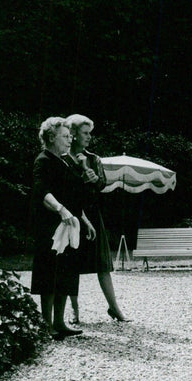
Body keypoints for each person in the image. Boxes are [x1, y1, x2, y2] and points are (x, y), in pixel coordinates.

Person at [30, 117, 96, 339]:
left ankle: (59, 322)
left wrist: (83, 219)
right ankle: (47, 325)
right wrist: (60, 209)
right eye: (65, 136)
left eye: (70, 136)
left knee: (66, 273)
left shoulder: (66, 161)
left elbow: (75, 194)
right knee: (49, 274)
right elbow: (42, 191)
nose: (70, 140)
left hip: (71, 225)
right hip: (51, 226)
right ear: (51, 137)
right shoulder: (44, 160)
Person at [63, 114, 129, 322]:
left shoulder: (94, 158)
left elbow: (101, 185)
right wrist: (82, 178)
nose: (89, 137)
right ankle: (74, 311)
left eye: (90, 133)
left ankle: (115, 308)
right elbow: (62, 190)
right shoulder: (62, 159)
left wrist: (91, 176)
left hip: (92, 213)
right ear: (72, 134)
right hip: (72, 215)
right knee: (71, 265)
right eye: (85, 133)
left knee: (103, 265)